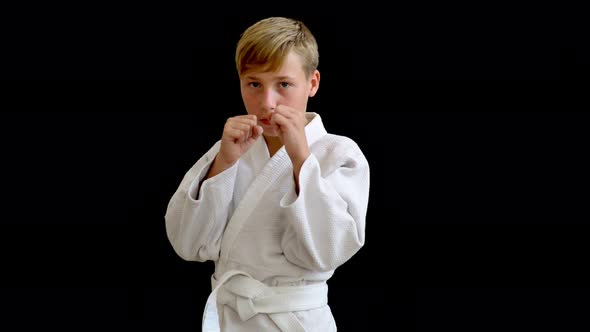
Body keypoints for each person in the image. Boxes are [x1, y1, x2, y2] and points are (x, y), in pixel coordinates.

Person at [165, 16, 370, 332]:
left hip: (295, 320)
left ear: (312, 83)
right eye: (254, 84)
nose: (267, 103)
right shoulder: (230, 148)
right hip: (230, 318)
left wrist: (302, 157)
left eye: (284, 84)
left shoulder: (339, 154)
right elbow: (188, 244)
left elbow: (328, 252)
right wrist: (224, 164)